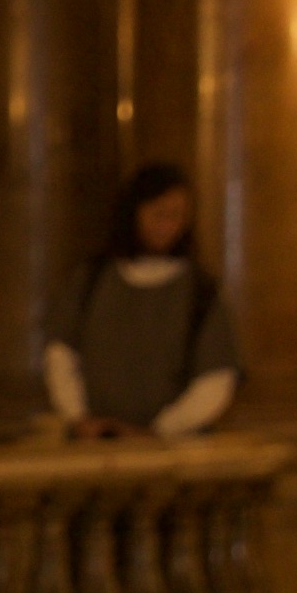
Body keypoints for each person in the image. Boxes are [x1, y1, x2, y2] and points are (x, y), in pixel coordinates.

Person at [45, 162, 240, 438]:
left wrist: (161, 430)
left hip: (172, 447)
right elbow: (61, 353)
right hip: (96, 442)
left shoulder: (200, 292)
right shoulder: (92, 279)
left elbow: (216, 376)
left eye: (176, 215)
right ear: (134, 212)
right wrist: (79, 417)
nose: (167, 225)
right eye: (158, 214)